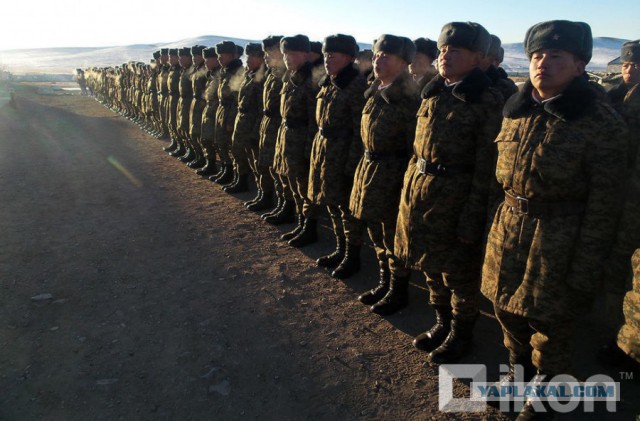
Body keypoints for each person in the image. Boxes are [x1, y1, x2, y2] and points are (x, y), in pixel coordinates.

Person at [480, 21, 627, 419]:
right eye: (537, 56)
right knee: (505, 308)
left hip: (559, 236)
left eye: (556, 56)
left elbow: (605, 201)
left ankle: (546, 390)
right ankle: (518, 371)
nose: (543, 63)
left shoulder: (599, 121)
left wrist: (586, 264)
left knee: (551, 321)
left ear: (580, 65)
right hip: (509, 227)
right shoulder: (517, 111)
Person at [394, 22, 504, 364]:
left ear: (478, 58)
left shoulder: (487, 100)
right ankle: (441, 321)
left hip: (458, 196)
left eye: (455, 51)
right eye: (443, 50)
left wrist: (474, 216)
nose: (445, 56)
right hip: (421, 190)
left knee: (458, 271)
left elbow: (488, 167)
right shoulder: (434, 91)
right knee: (427, 260)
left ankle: (461, 331)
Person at [350, 34, 420, 315]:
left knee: (393, 236)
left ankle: (398, 289)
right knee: (376, 231)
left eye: (386, 57)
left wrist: (403, 184)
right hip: (370, 169)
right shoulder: (376, 90)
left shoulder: (408, 98)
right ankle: (384, 281)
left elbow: (412, 147)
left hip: (393, 175)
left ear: (403, 63)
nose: (378, 61)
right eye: (377, 56)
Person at [308, 34, 367, 278]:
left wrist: (351, 165)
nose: (328, 59)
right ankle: (340, 248)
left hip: (343, 153)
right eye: (325, 55)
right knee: (331, 201)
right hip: (325, 149)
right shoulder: (329, 81)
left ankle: (352, 256)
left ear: (350, 58)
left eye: (333, 55)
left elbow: (358, 130)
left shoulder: (355, 85)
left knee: (346, 208)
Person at [600, 40, 640, 371]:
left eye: (637, 66)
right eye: (626, 65)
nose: (630, 70)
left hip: (635, 198)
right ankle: (615, 332)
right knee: (615, 266)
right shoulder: (611, 94)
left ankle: (631, 350)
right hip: (614, 195)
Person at [272, 35, 320, 247]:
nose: (287, 58)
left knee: (303, 187)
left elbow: (314, 120)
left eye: (292, 54)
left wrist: (309, 149)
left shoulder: (310, 79)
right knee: (292, 183)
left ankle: (309, 228)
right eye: (285, 54)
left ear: (305, 54)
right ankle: (300, 223)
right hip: (288, 138)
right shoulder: (291, 77)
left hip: (301, 141)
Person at [250, 35, 286, 213]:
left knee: (278, 170)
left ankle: (284, 205)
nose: (266, 56)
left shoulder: (287, 75)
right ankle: (266, 196)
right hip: (267, 125)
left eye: (270, 52)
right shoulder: (271, 74)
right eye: (265, 53)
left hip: (280, 128)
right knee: (265, 165)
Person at [228, 42, 267, 193]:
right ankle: (241, 180)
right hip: (242, 120)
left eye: (253, 56)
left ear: (262, 58)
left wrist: (256, 131)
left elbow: (261, 109)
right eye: (247, 56)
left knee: (255, 160)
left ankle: (262, 191)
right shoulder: (248, 74)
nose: (248, 59)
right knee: (239, 152)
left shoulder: (262, 78)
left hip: (252, 123)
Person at [212, 41, 244, 186]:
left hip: (230, 112)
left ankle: (238, 177)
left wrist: (231, 121)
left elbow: (237, 101)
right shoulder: (225, 71)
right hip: (222, 111)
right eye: (218, 55)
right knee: (221, 143)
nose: (219, 58)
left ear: (231, 55)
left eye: (222, 55)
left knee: (232, 147)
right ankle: (227, 169)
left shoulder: (237, 72)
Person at [197, 47, 222, 177]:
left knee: (220, 143)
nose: (205, 62)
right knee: (206, 139)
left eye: (208, 59)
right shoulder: (211, 75)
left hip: (217, 112)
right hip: (209, 111)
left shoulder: (221, 75)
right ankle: (210, 163)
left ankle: (224, 169)